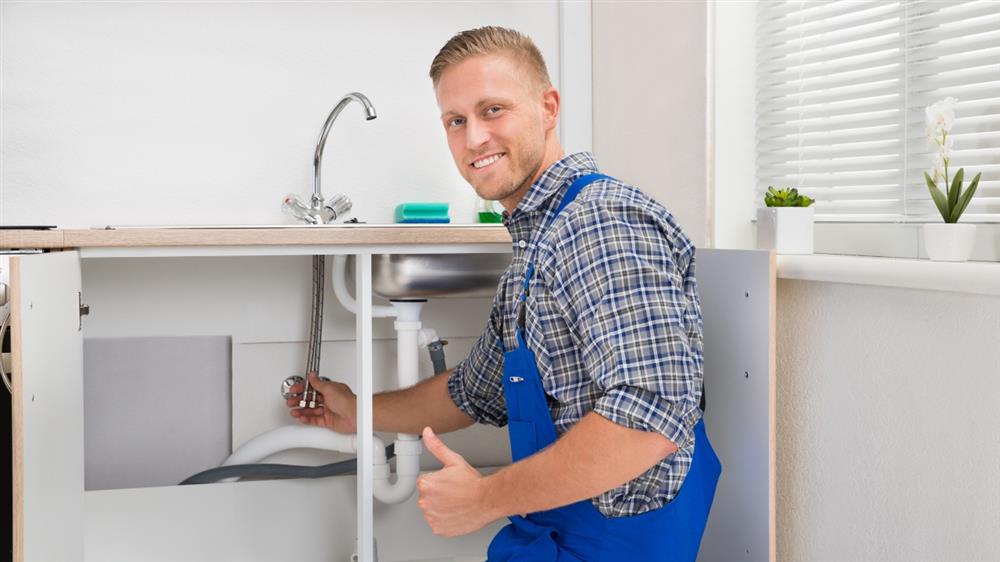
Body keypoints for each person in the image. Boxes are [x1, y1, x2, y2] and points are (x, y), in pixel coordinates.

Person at [287, 26, 721, 561]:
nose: (474, 139)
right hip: (558, 537)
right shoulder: (537, 244)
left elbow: (650, 418)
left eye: (493, 110)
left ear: (548, 107)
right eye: (456, 121)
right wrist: (359, 412)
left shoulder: (598, 223)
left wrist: (485, 499)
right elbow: (474, 392)